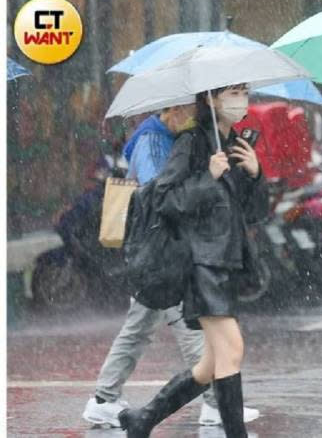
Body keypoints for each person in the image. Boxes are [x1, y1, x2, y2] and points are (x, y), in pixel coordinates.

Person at [83, 105, 260, 429]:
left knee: (161, 338)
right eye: (187, 111)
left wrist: (249, 173)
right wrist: (202, 175)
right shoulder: (157, 139)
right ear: (172, 110)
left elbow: (236, 204)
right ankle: (211, 403)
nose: (192, 116)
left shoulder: (197, 140)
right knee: (202, 338)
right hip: (169, 254)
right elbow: (158, 196)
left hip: (183, 256)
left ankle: (131, 412)